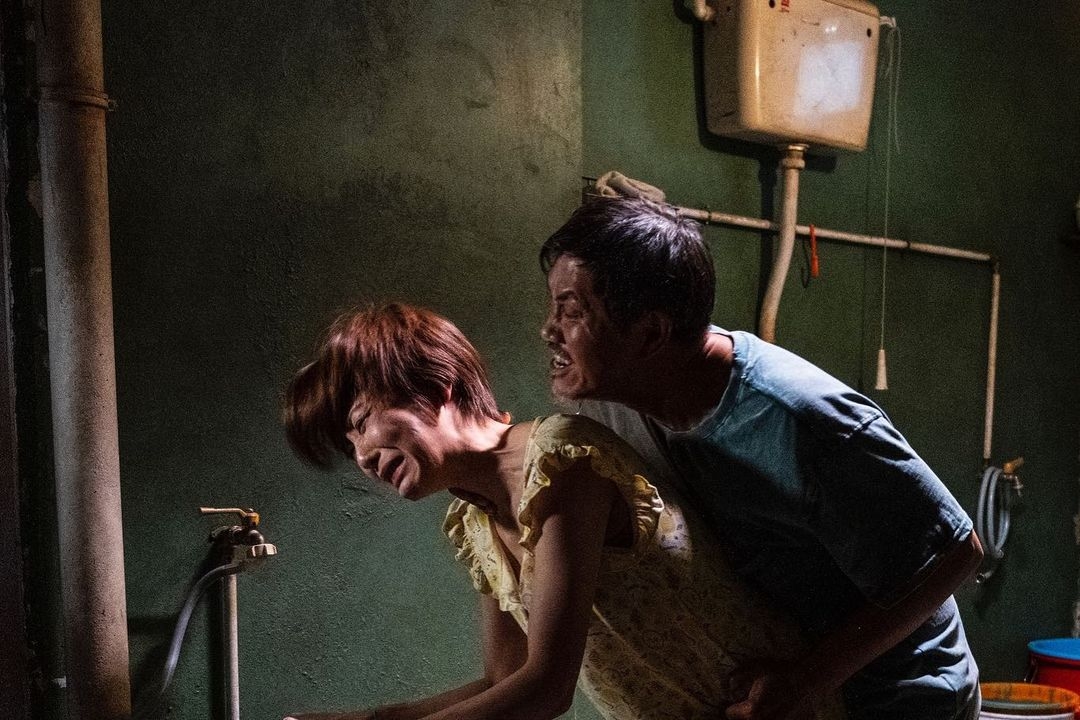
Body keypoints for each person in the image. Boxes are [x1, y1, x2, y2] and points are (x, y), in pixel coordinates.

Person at [281, 302, 845, 720]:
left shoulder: (562, 460)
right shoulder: (477, 519)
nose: (361, 456)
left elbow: (547, 690)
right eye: (348, 446)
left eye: (361, 423)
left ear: (434, 386)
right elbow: (505, 681)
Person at [537, 196, 985, 720]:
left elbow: (957, 552)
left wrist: (807, 680)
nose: (549, 330)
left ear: (651, 333)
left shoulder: (806, 419)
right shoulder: (614, 399)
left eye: (572, 311)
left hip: (903, 694)